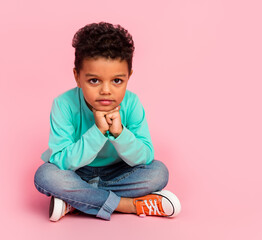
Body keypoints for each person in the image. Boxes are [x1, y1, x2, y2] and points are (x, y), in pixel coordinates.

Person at [34, 22, 181, 221]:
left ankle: (76, 201)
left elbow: (145, 157)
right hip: (77, 173)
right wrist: (98, 132)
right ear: (77, 77)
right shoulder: (63, 104)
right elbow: (60, 160)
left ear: (129, 76)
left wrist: (120, 133)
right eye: (94, 80)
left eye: (117, 81)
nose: (106, 90)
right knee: (46, 175)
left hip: (118, 173)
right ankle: (127, 205)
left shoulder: (132, 103)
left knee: (158, 172)